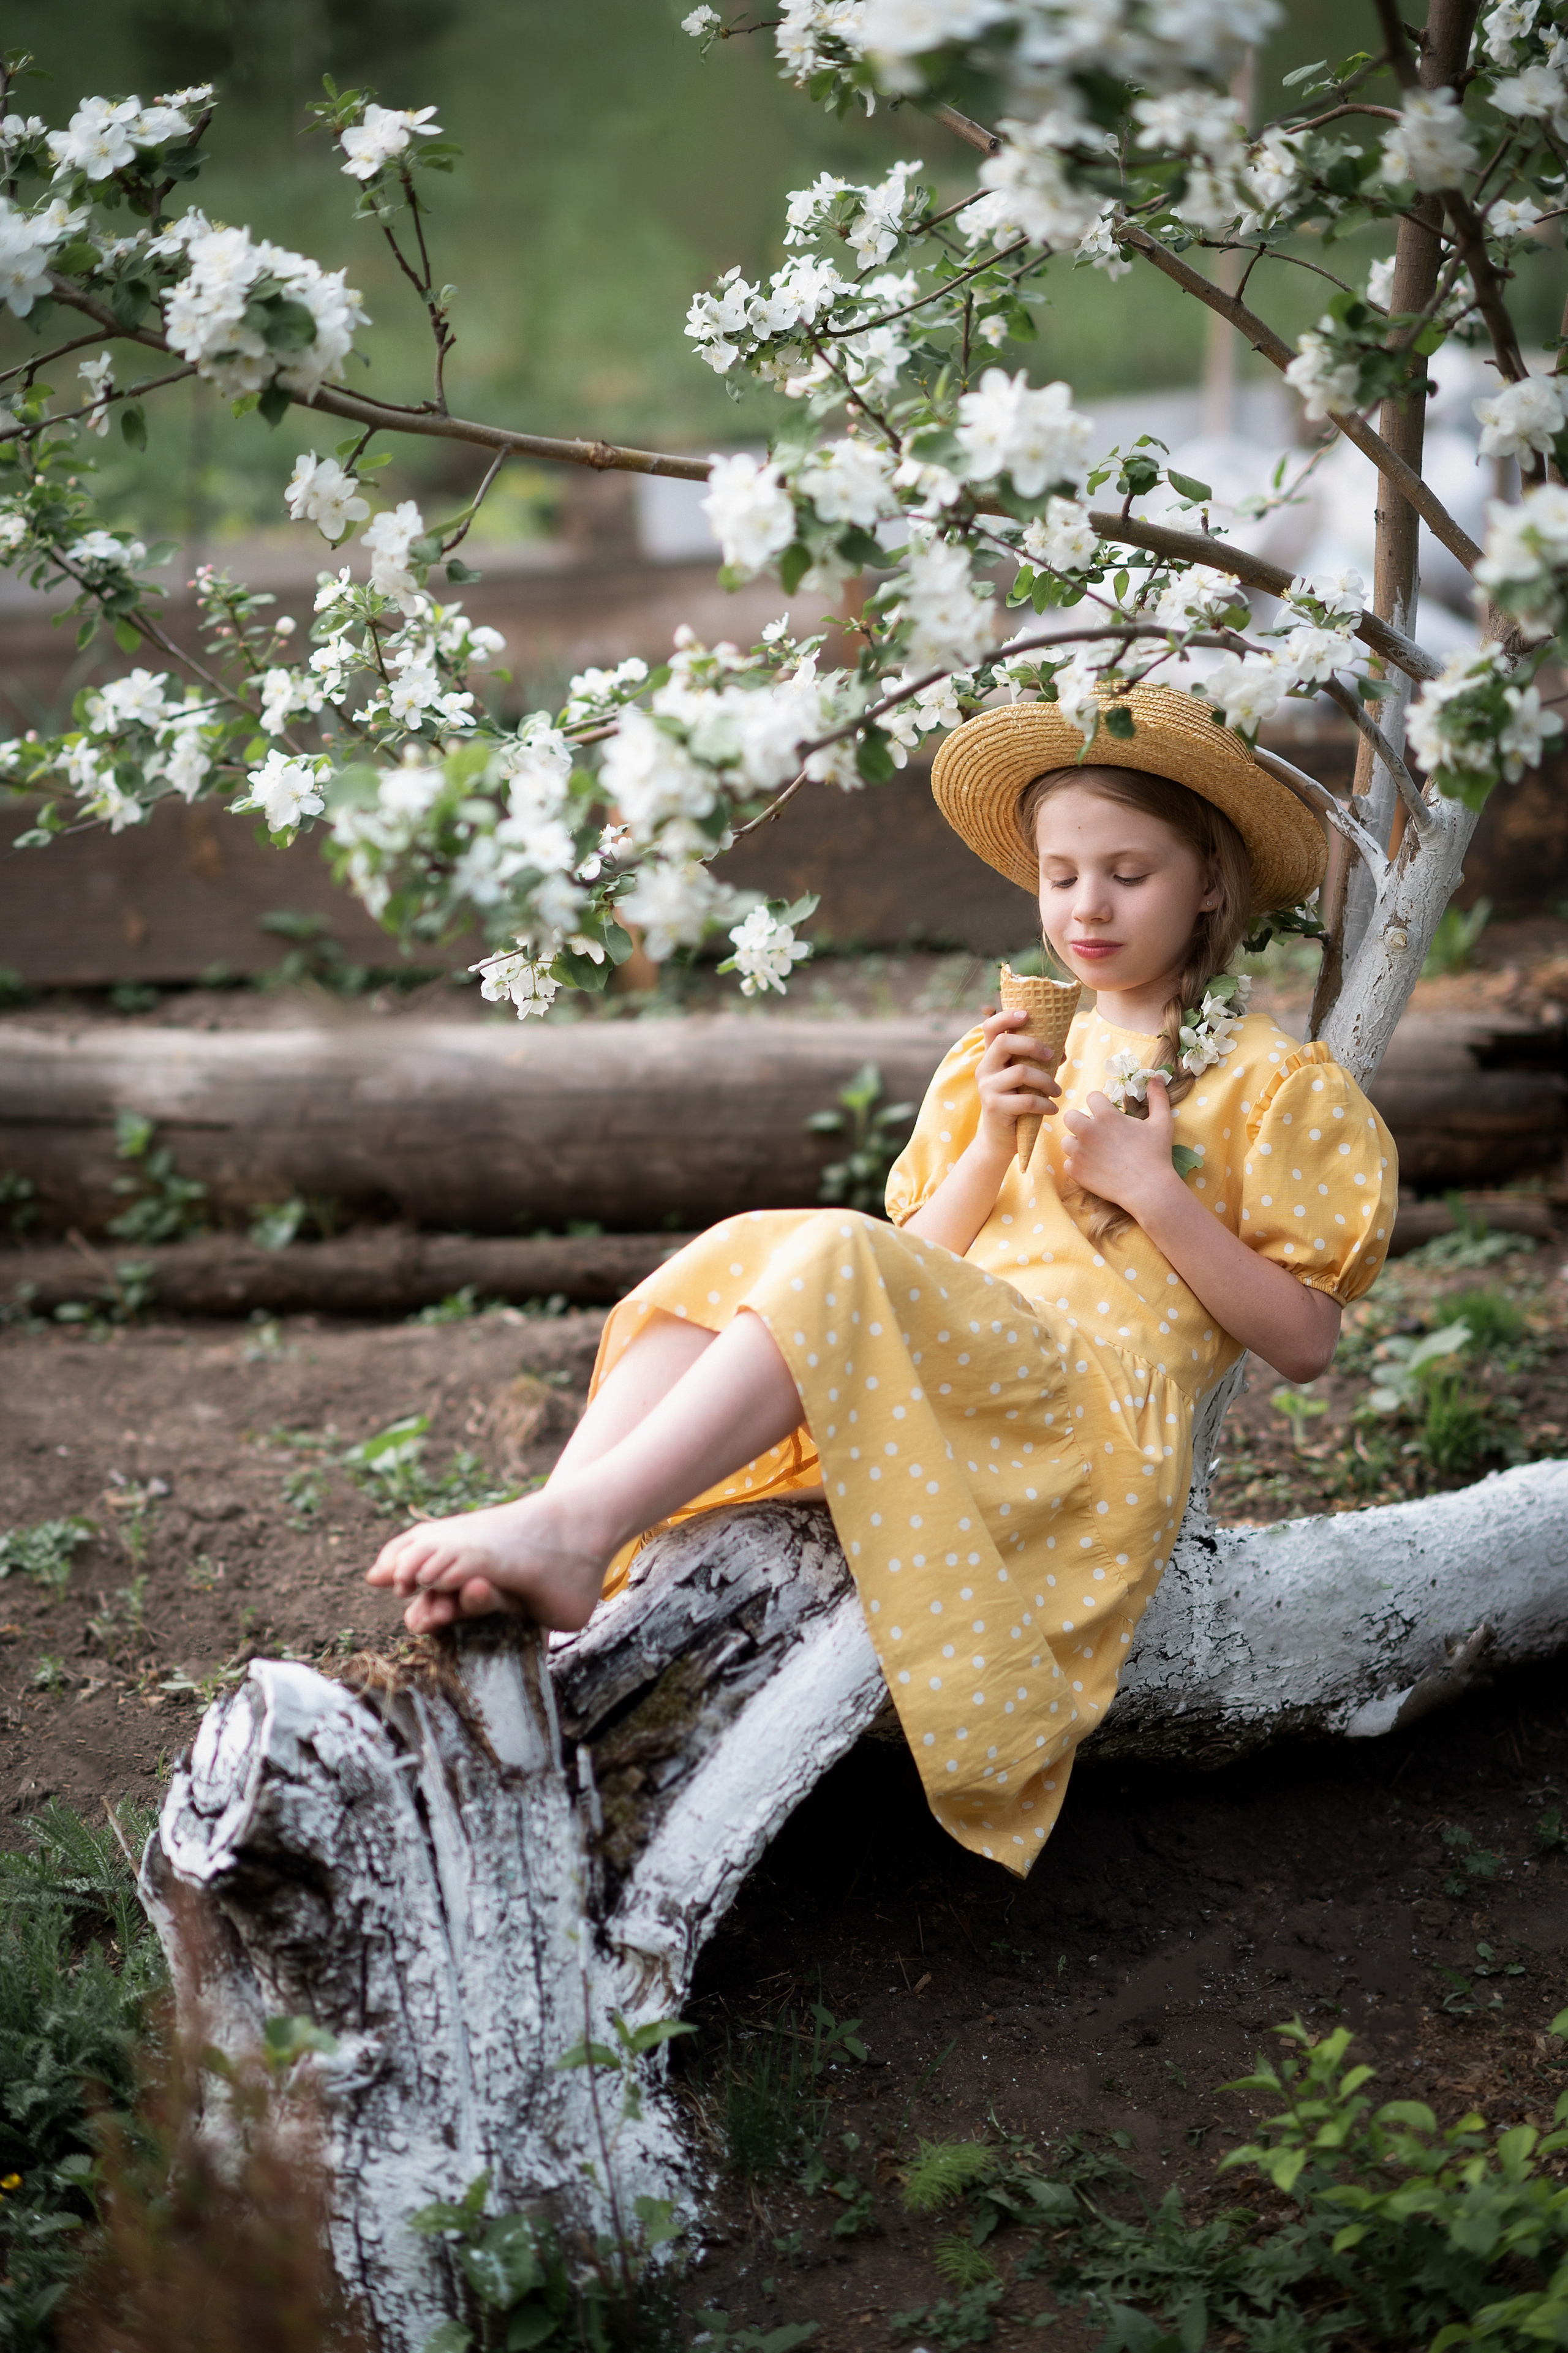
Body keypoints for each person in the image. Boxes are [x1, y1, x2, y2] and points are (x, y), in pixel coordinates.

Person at [369, 680, 1398, 1875]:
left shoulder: (1268, 1083)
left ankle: (576, 1529)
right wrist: (991, 1147)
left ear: (1209, 881)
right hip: (970, 1368)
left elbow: (1304, 1339)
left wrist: (1154, 1191)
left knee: (833, 1250)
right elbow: (911, 1261)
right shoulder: (1005, 1054)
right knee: (752, 1243)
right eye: (1060, 874)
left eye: (1129, 873)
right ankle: (572, 1548)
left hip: (1083, 1420)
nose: (1087, 905)